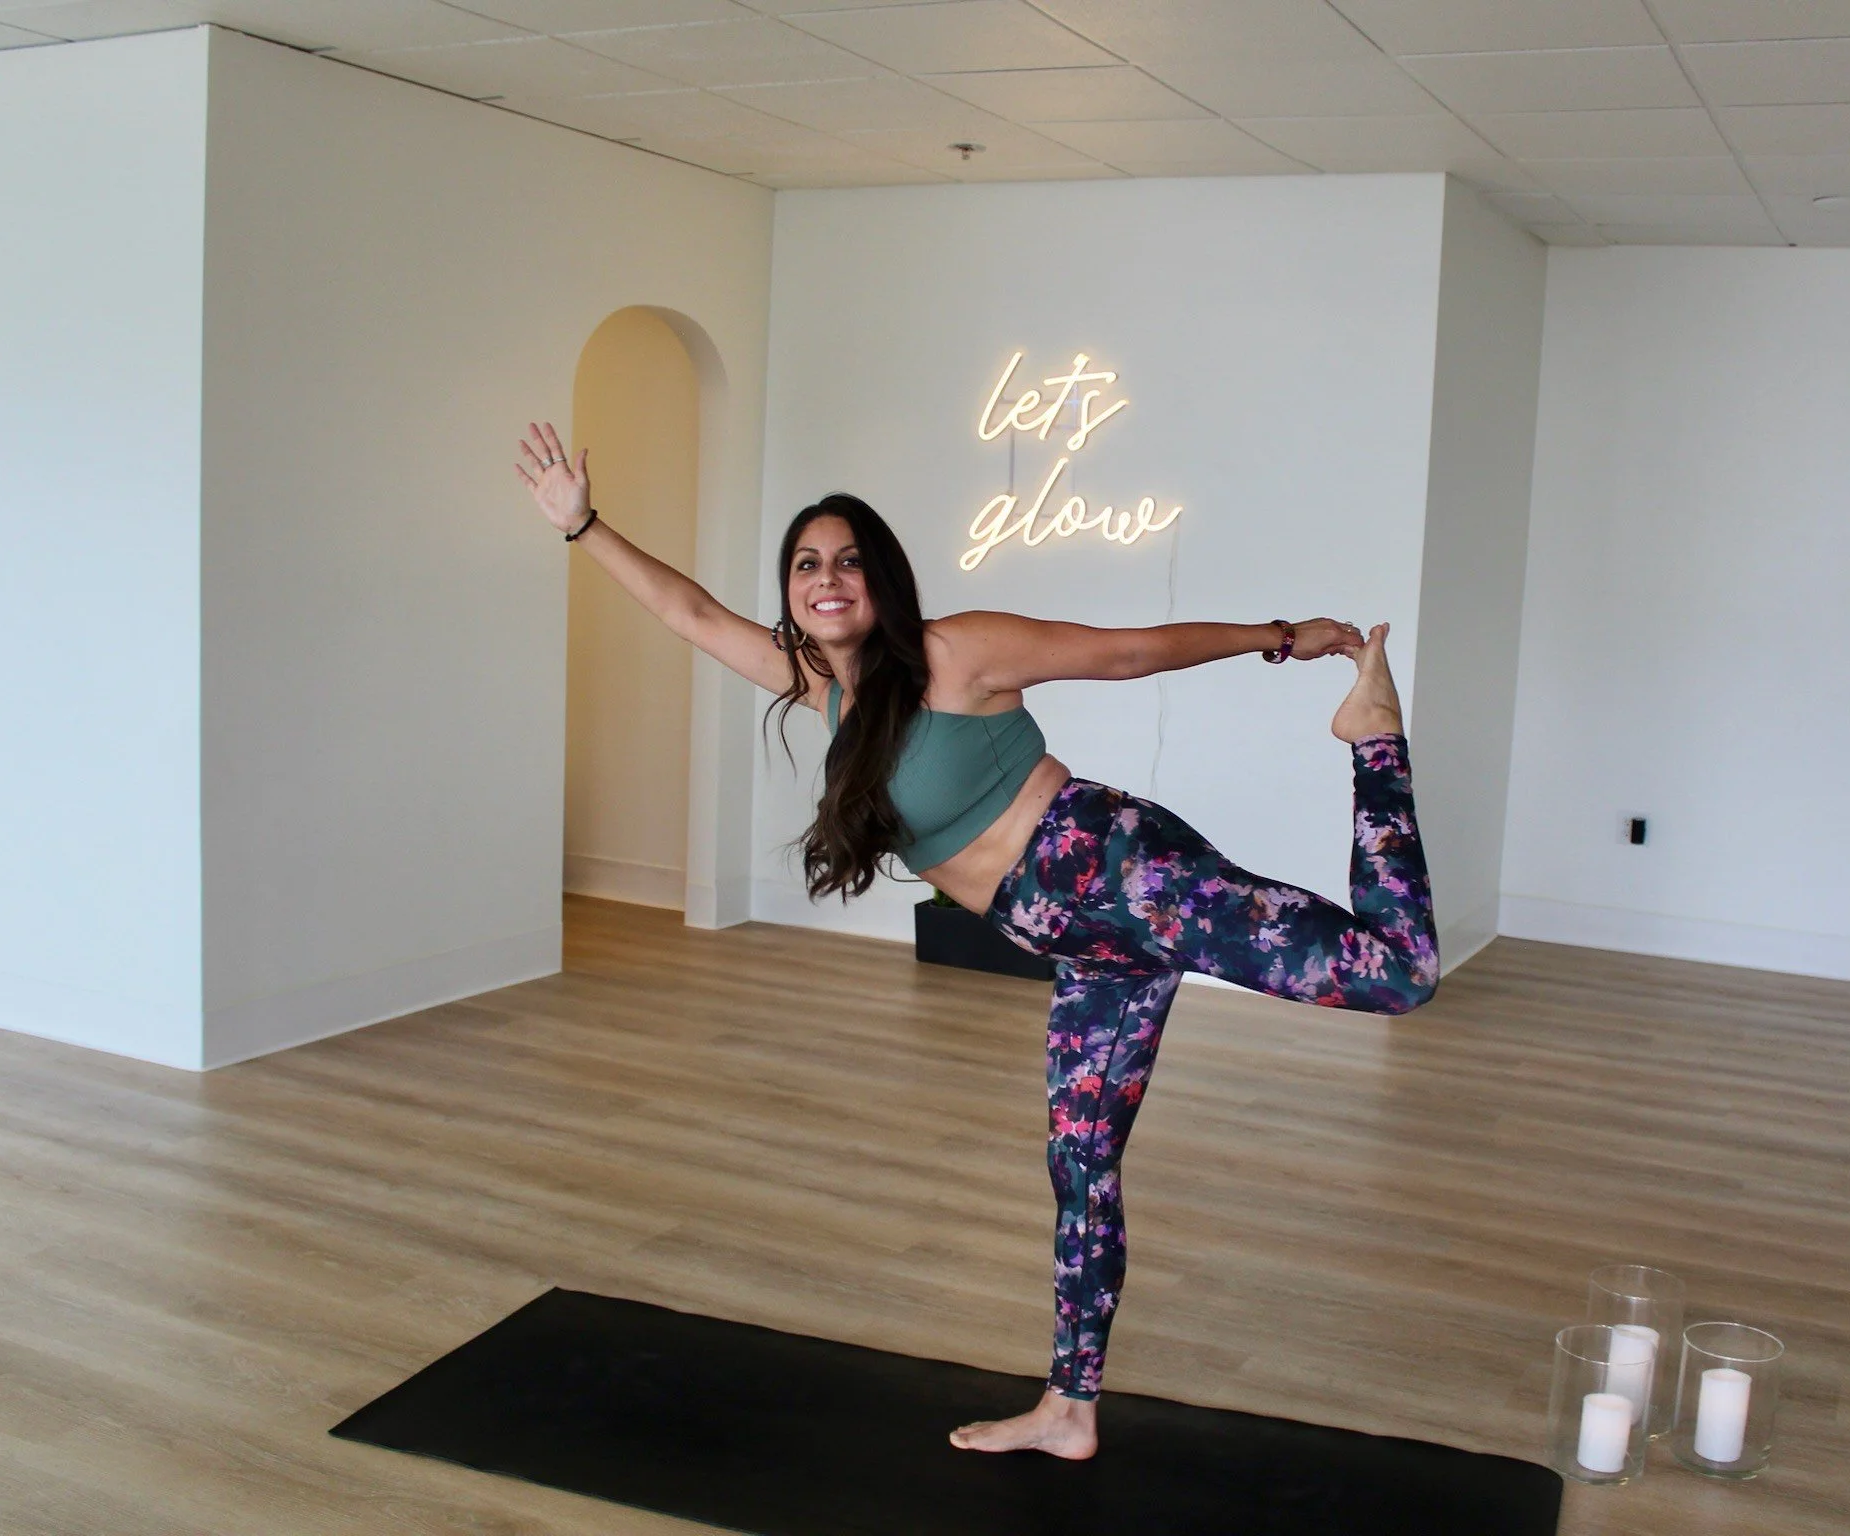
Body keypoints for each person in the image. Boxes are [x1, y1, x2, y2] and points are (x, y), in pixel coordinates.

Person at [516, 421, 1439, 1460]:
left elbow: (1129, 653)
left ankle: (1373, 742)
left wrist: (1279, 635)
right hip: (1087, 949)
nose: (827, 579)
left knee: (1394, 975)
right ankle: (1067, 1410)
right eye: (806, 564)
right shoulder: (823, 693)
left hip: (1127, 876)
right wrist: (582, 525)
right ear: (790, 589)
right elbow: (689, 612)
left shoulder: (957, 652)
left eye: (849, 561)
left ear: (884, 581)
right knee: (1080, 1166)